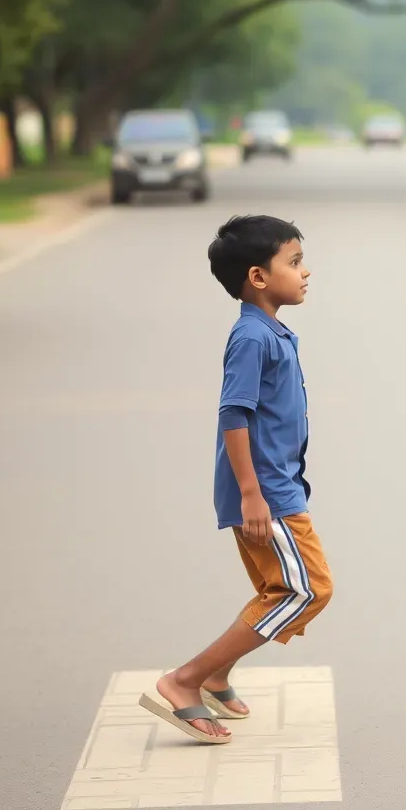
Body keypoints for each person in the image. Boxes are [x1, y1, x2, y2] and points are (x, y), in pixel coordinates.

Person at [139, 215, 334, 743]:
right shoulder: (251, 337)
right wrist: (253, 494)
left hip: (272, 487)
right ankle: (186, 679)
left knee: (280, 587)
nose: (305, 271)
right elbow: (233, 414)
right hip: (266, 494)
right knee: (307, 589)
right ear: (258, 277)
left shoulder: (269, 331)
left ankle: (218, 674)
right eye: (294, 262)